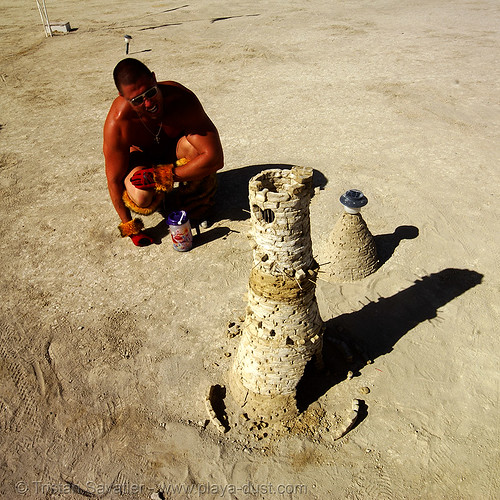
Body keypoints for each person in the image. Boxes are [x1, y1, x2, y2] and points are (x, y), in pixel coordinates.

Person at [103, 58, 224, 246]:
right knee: (141, 197)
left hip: (175, 152)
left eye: (150, 92)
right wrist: (130, 228)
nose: (148, 103)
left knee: (195, 149)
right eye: (137, 100)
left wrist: (162, 176)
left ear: (154, 78)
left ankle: (195, 203)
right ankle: (162, 200)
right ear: (122, 96)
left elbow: (215, 158)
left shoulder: (180, 98)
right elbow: (113, 179)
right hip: (142, 159)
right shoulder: (118, 123)